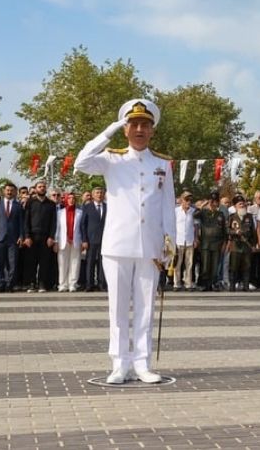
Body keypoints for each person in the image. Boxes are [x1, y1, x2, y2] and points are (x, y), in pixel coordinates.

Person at [75, 98, 176, 384]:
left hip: (151, 245)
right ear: (125, 129)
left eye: (145, 125)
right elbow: (81, 162)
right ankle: (119, 363)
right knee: (117, 307)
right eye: (134, 124)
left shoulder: (163, 164)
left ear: (153, 130)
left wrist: (170, 244)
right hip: (118, 244)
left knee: (146, 307)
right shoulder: (111, 158)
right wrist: (107, 131)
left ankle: (142, 363)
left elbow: (168, 206)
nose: (140, 129)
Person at [22, 180, 57, 293]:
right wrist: (27, 236)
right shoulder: (30, 202)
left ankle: (42, 283)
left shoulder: (51, 204)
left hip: (46, 237)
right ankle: (31, 283)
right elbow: (26, 220)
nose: (42, 188)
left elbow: (53, 222)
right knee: (31, 261)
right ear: (36, 188)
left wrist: (51, 237)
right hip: (32, 236)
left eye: (43, 187)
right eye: (40, 186)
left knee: (44, 261)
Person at [0, 182, 24, 292]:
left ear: (15, 192)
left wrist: (21, 235)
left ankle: (10, 284)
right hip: (0, 237)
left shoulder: (18, 206)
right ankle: (1, 283)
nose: (9, 192)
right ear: (4, 191)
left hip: (13, 238)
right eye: (7, 190)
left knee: (13, 263)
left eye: (11, 190)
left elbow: (21, 223)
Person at [194, 192, 227, 291]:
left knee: (214, 266)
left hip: (217, 244)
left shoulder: (220, 214)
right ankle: (204, 284)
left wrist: (224, 243)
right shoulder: (203, 212)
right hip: (206, 244)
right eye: (212, 201)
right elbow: (194, 215)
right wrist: (203, 205)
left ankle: (213, 283)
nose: (213, 203)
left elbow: (224, 230)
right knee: (205, 265)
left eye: (215, 201)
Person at [55, 192, 86, 292]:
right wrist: (56, 241)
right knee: (62, 263)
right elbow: (57, 228)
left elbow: (82, 228)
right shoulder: (60, 212)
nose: (71, 200)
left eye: (73, 198)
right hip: (63, 240)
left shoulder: (80, 212)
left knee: (75, 263)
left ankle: (73, 284)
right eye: (69, 198)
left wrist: (83, 241)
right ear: (66, 200)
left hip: (76, 240)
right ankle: (62, 284)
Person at [226, 195, 259, 291]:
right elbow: (226, 230)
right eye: (240, 204)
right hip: (235, 245)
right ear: (235, 206)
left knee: (247, 266)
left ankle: (246, 286)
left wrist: (254, 244)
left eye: (243, 203)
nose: (242, 205)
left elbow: (253, 231)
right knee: (233, 267)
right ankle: (232, 286)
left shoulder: (249, 216)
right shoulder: (232, 217)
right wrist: (235, 232)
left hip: (247, 245)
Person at [81, 186, 108, 292]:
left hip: (105, 239)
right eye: (97, 193)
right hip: (91, 239)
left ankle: (102, 284)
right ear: (92, 195)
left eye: (101, 193)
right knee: (90, 262)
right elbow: (83, 224)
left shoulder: (107, 207)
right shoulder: (88, 207)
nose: (99, 194)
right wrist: (84, 239)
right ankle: (89, 284)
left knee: (103, 263)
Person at [173, 191, 197, 291]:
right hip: (178, 240)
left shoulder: (193, 211)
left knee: (189, 264)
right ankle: (176, 284)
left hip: (190, 240)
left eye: (190, 200)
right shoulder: (176, 211)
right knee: (177, 264)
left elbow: (196, 226)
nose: (188, 202)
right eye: (186, 199)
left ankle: (188, 284)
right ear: (181, 200)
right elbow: (172, 226)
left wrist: (196, 239)